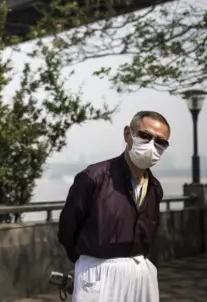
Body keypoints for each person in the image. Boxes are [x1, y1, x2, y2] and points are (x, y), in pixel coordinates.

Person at [58, 111, 171, 302]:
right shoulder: (94, 178)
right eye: (145, 136)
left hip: (141, 273)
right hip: (98, 272)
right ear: (128, 134)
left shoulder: (154, 188)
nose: (152, 145)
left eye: (160, 142)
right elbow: (67, 228)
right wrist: (86, 261)